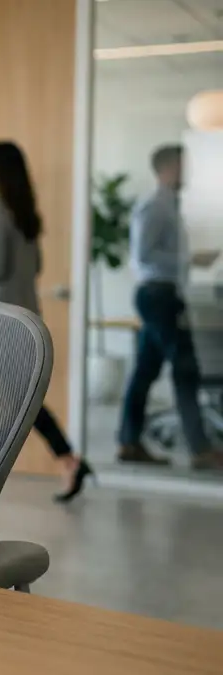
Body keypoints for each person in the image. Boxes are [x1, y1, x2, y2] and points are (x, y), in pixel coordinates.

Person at [0, 140, 92, 502]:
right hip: (23, 320)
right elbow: (29, 267)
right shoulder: (24, 213)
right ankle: (68, 458)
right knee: (21, 399)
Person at [116, 144, 223, 470]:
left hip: (165, 294)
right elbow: (143, 255)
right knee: (185, 367)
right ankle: (201, 449)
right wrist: (187, 259)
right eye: (183, 164)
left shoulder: (171, 207)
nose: (187, 171)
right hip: (157, 295)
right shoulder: (154, 206)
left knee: (146, 371)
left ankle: (129, 442)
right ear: (167, 168)